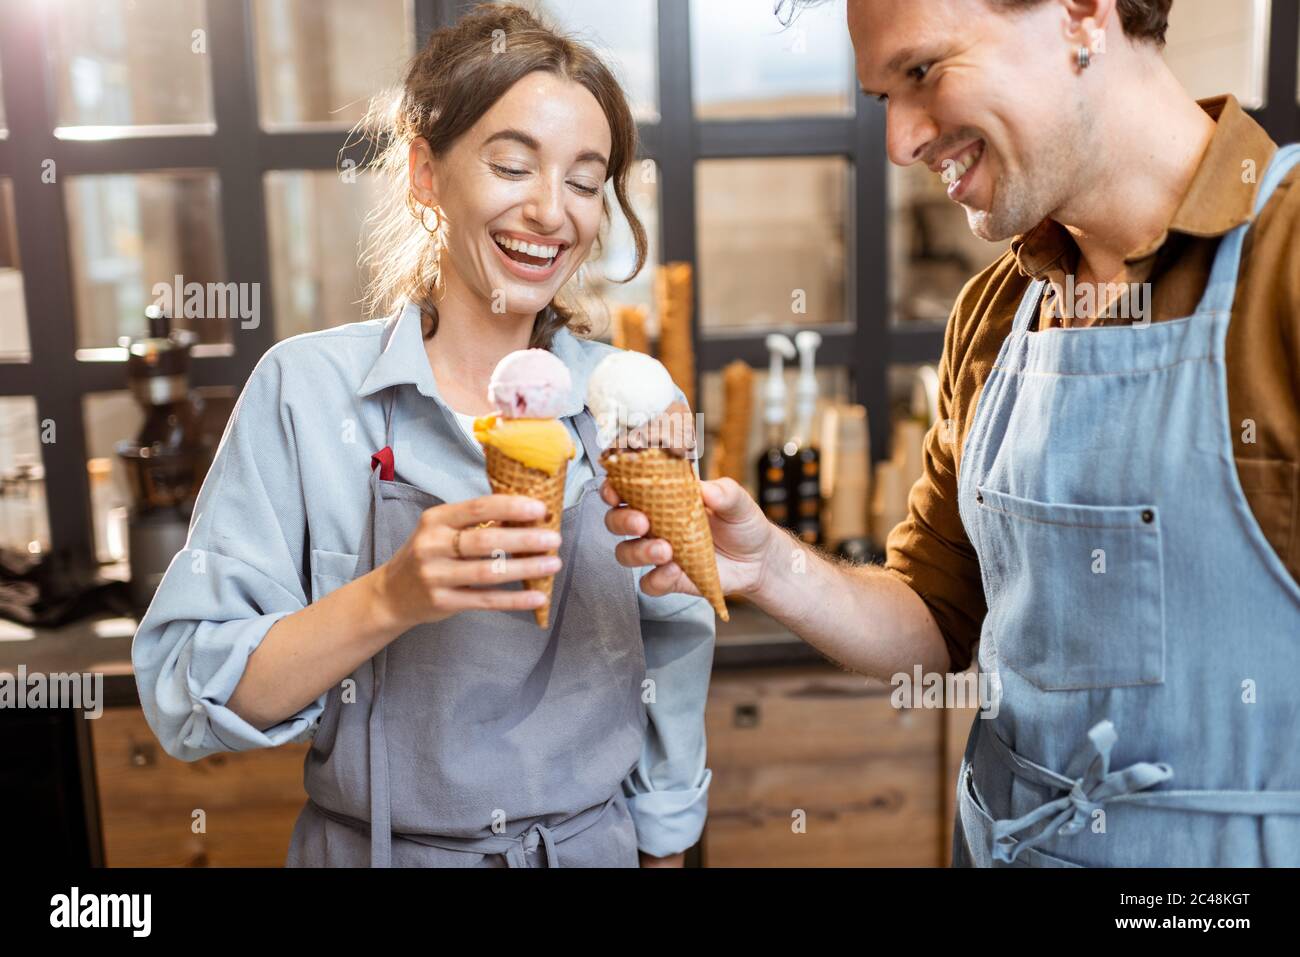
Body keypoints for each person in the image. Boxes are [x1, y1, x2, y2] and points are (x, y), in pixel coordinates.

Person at [604, 0, 1300, 867]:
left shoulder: (1286, 263)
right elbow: (937, 621)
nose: (899, 142)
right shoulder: (997, 311)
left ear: (1083, 14)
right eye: (882, 97)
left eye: (923, 72)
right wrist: (767, 564)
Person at [132, 3, 714, 868]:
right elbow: (184, 692)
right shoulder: (306, 394)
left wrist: (663, 849)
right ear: (424, 174)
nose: (552, 211)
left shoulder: (628, 400)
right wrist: (391, 595)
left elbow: (673, 636)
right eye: (513, 165)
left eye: (587, 181)